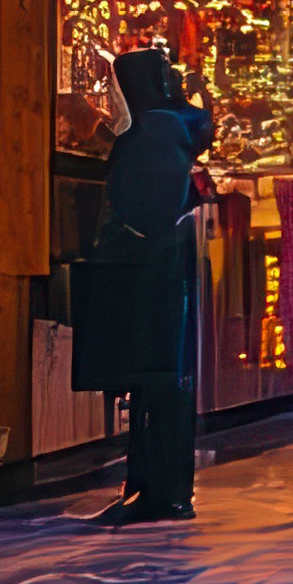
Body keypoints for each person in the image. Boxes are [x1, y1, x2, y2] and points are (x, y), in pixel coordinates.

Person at [75, 48, 211, 524]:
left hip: (148, 270)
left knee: (151, 379)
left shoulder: (152, 128)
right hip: (170, 267)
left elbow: (144, 204)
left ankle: (156, 492)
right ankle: (161, 490)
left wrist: (121, 230)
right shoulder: (178, 123)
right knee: (164, 383)